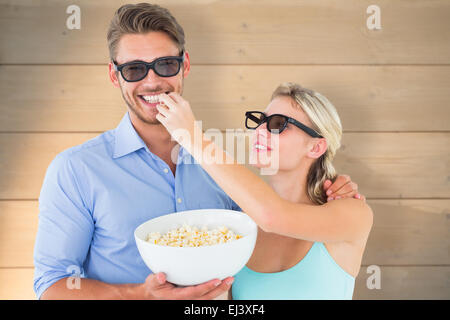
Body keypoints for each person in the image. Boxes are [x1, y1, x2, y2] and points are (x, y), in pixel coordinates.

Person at [33, 3, 361, 300]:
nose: (151, 81)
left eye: (164, 65)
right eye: (134, 69)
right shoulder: (76, 169)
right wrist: (139, 294)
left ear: (184, 65)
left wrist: (329, 184)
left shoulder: (225, 171)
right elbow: (51, 288)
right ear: (113, 74)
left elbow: (274, 215)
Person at [155, 82, 373, 299]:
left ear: (316, 147)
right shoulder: (239, 227)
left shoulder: (354, 213)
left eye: (278, 124)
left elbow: (272, 216)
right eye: (260, 121)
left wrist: (193, 138)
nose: (259, 130)